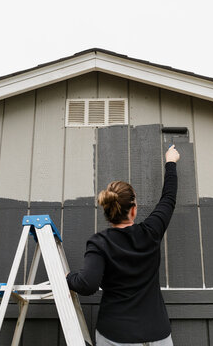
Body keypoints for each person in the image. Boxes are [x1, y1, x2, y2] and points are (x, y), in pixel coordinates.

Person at [66, 145, 180, 346]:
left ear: (107, 212)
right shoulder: (151, 232)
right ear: (133, 210)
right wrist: (170, 162)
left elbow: (86, 284)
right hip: (157, 334)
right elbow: (168, 199)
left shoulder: (99, 243)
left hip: (115, 336)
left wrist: (67, 278)